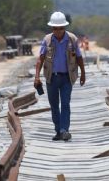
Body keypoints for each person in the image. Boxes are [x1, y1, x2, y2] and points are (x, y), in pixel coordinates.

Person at [34, 11, 86, 141]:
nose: (58, 31)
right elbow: (40, 59)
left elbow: (79, 57)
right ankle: (58, 130)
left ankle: (64, 130)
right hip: (51, 78)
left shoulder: (72, 39)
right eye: (55, 28)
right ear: (52, 28)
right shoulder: (47, 40)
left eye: (61, 28)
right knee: (54, 105)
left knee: (65, 103)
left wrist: (83, 74)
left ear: (65, 27)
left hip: (67, 78)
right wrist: (37, 77)